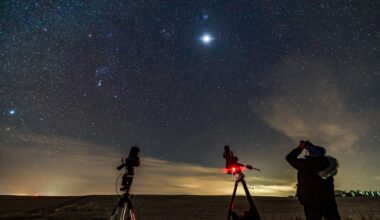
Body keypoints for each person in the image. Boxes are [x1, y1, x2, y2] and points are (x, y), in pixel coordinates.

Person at [286, 140, 341, 220]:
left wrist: (300, 148)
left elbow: (290, 158)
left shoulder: (306, 164)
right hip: (328, 200)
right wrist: (312, 147)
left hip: (311, 202)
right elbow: (318, 155)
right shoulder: (328, 163)